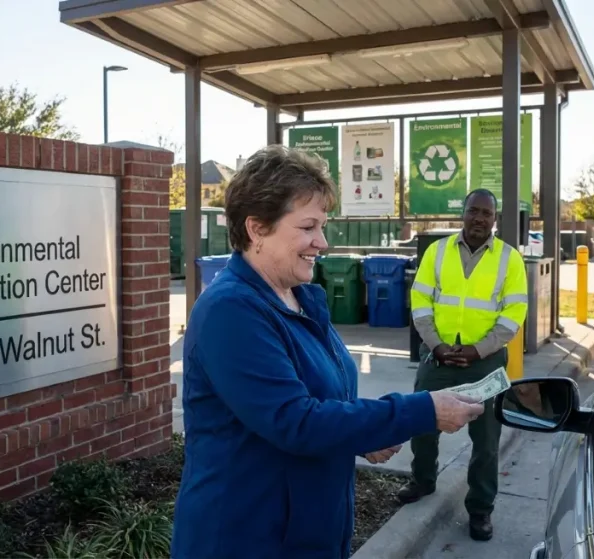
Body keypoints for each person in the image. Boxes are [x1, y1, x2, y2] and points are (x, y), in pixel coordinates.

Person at [170, 146, 485, 559]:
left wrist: (364, 434)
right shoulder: (231, 310)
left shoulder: (300, 297)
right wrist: (423, 410)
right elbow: (294, 420)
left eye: (323, 225)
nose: (322, 241)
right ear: (256, 228)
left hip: (305, 534)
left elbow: (323, 401)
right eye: (308, 227)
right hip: (247, 538)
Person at [399, 189, 529, 541]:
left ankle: (481, 509)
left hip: (483, 363)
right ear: (463, 214)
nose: (479, 219)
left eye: (486, 213)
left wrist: (478, 350)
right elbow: (421, 300)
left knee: (486, 442)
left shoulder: (509, 259)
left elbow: (514, 314)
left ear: (495, 219)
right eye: (474, 211)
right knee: (422, 423)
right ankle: (423, 480)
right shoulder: (437, 252)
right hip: (437, 356)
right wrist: (436, 345)